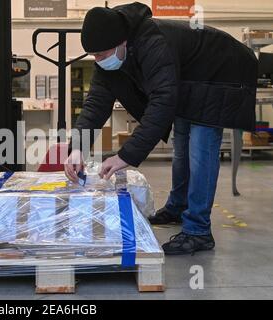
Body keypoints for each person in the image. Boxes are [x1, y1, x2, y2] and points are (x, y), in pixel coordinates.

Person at [64, 2, 258, 255]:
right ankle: (177, 207)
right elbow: (95, 105)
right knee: (181, 148)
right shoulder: (109, 58)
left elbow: (162, 103)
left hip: (222, 72)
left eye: (102, 54)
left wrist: (126, 155)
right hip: (191, 78)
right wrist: (78, 147)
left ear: (122, 42)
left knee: (200, 150)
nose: (98, 60)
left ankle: (198, 231)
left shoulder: (153, 43)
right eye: (94, 55)